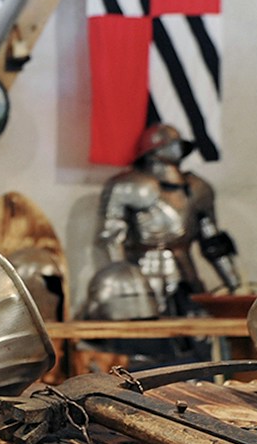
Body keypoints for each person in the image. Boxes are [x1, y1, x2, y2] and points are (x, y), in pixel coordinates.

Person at [97, 123, 241, 315]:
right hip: (145, 269)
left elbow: (212, 242)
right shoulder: (127, 185)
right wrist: (125, 287)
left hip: (187, 272)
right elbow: (113, 239)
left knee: (196, 323)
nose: (178, 148)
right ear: (153, 150)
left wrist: (235, 285)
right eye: (171, 144)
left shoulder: (198, 188)